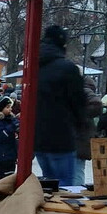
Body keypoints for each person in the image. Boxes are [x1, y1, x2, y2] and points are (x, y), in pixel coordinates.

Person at [34, 25, 87, 186]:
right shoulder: (68, 69)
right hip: (61, 136)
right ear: (62, 44)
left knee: (49, 185)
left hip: (39, 137)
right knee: (65, 188)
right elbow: (78, 103)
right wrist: (81, 126)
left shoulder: (35, 67)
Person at [77, 76, 103, 186]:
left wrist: (77, 114)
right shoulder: (84, 91)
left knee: (76, 172)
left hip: (79, 139)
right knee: (77, 170)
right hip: (83, 138)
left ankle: (75, 195)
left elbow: (97, 104)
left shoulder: (83, 90)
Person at [0, 95, 18, 180]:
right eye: (7, 107)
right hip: (2, 156)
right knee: (3, 179)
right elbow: (2, 135)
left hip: (9, 155)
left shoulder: (9, 119)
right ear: (0, 108)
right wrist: (13, 126)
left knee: (9, 177)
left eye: (10, 107)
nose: (10, 109)